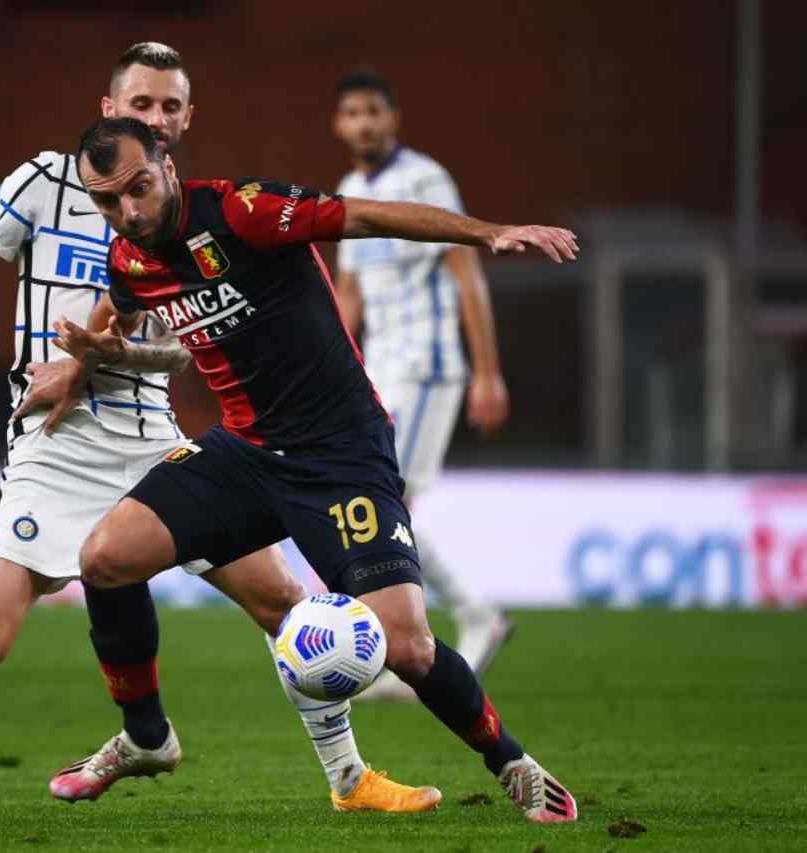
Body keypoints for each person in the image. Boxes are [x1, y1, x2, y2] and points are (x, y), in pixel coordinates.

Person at [0, 43, 434, 814]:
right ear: (108, 107)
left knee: (281, 600)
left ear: (184, 121)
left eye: (169, 107)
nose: (155, 117)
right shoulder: (42, 182)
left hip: (149, 435)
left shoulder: (183, 213)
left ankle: (348, 779)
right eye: (141, 103)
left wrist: (102, 356)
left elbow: (181, 355)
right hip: (54, 447)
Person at [52, 115, 580, 823]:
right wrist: (76, 367)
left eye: (138, 188)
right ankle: (147, 737)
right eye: (109, 202)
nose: (130, 211)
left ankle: (511, 760)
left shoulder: (243, 211)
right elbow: (115, 314)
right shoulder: (129, 259)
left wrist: (482, 233)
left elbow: (366, 215)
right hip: (245, 453)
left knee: (407, 643)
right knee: (106, 556)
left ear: (167, 164)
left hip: (341, 455)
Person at [331, 69, 514, 701]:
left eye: (374, 111)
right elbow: (348, 295)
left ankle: (454, 624)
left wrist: (486, 371)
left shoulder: (427, 179)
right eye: (353, 113)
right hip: (383, 369)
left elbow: (468, 273)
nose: (364, 123)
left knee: (387, 504)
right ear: (339, 125)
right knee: (383, 504)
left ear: (393, 118)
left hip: (431, 364)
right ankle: (456, 622)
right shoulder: (351, 189)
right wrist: (335, 369)